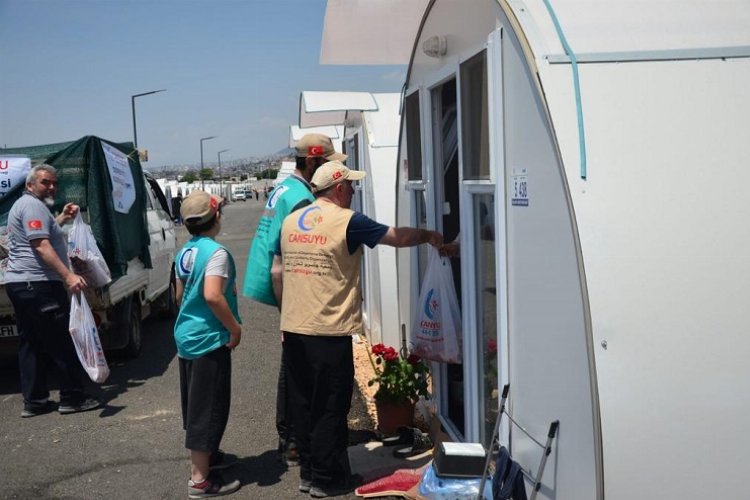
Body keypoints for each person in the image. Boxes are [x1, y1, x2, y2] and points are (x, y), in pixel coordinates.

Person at [271, 161, 443, 498]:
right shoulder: (347, 221)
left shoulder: (291, 222)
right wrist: (429, 236)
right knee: (331, 406)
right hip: (328, 330)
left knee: (303, 405)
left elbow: (277, 273)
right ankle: (328, 479)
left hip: (294, 329)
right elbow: (397, 236)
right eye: (350, 186)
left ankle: (308, 473)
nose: (353, 191)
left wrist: (285, 315)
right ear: (338, 188)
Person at [242, 133, 346, 466]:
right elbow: (286, 263)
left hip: (268, 277)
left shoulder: (285, 186)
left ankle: (289, 436)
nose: (333, 168)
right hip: (284, 285)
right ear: (313, 162)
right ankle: (292, 440)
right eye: (328, 162)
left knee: (293, 362)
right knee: (296, 365)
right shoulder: (302, 198)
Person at [5, 164, 101, 418]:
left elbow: (41, 234)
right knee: (60, 340)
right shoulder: (32, 205)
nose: (51, 187)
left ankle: (35, 401)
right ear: (30, 185)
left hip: (21, 284)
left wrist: (62, 219)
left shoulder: (28, 206)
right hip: (38, 285)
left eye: (54, 183)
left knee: (32, 343)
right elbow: (41, 245)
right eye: (45, 182)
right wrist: (68, 275)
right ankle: (72, 397)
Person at [174, 191, 242, 499]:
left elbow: (179, 297)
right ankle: (200, 480)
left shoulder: (184, 252)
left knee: (195, 404)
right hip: (208, 339)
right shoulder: (216, 253)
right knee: (208, 407)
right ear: (214, 218)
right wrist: (234, 327)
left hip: (186, 336)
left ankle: (209, 456)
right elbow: (213, 295)